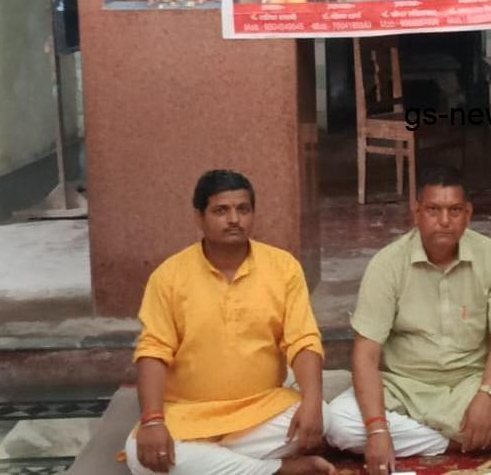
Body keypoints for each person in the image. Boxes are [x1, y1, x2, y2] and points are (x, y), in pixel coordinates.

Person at [326, 166, 491, 475]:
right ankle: (456, 441)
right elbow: (366, 355)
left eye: (454, 210)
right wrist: (377, 429)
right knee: (339, 423)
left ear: (468, 214)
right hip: (403, 388)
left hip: (469, 385)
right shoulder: (387, 264)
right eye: (433, 210)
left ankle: (437, 434)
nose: (444, 221)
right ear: (416, 213)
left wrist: (487, 396)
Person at [124, 170, 334, 475]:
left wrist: (312, 401)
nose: (234, 219)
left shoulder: (283, 267)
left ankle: (215, 464)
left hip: (260, 408)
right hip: (188, 414)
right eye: (221, 211)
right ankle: (277, 470)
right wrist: (154, 421)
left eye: (243, 209)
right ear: (199, 217)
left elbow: (303, 341)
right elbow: (153, 351)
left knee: (323, 417)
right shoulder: (169, 276)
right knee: (139, 455)